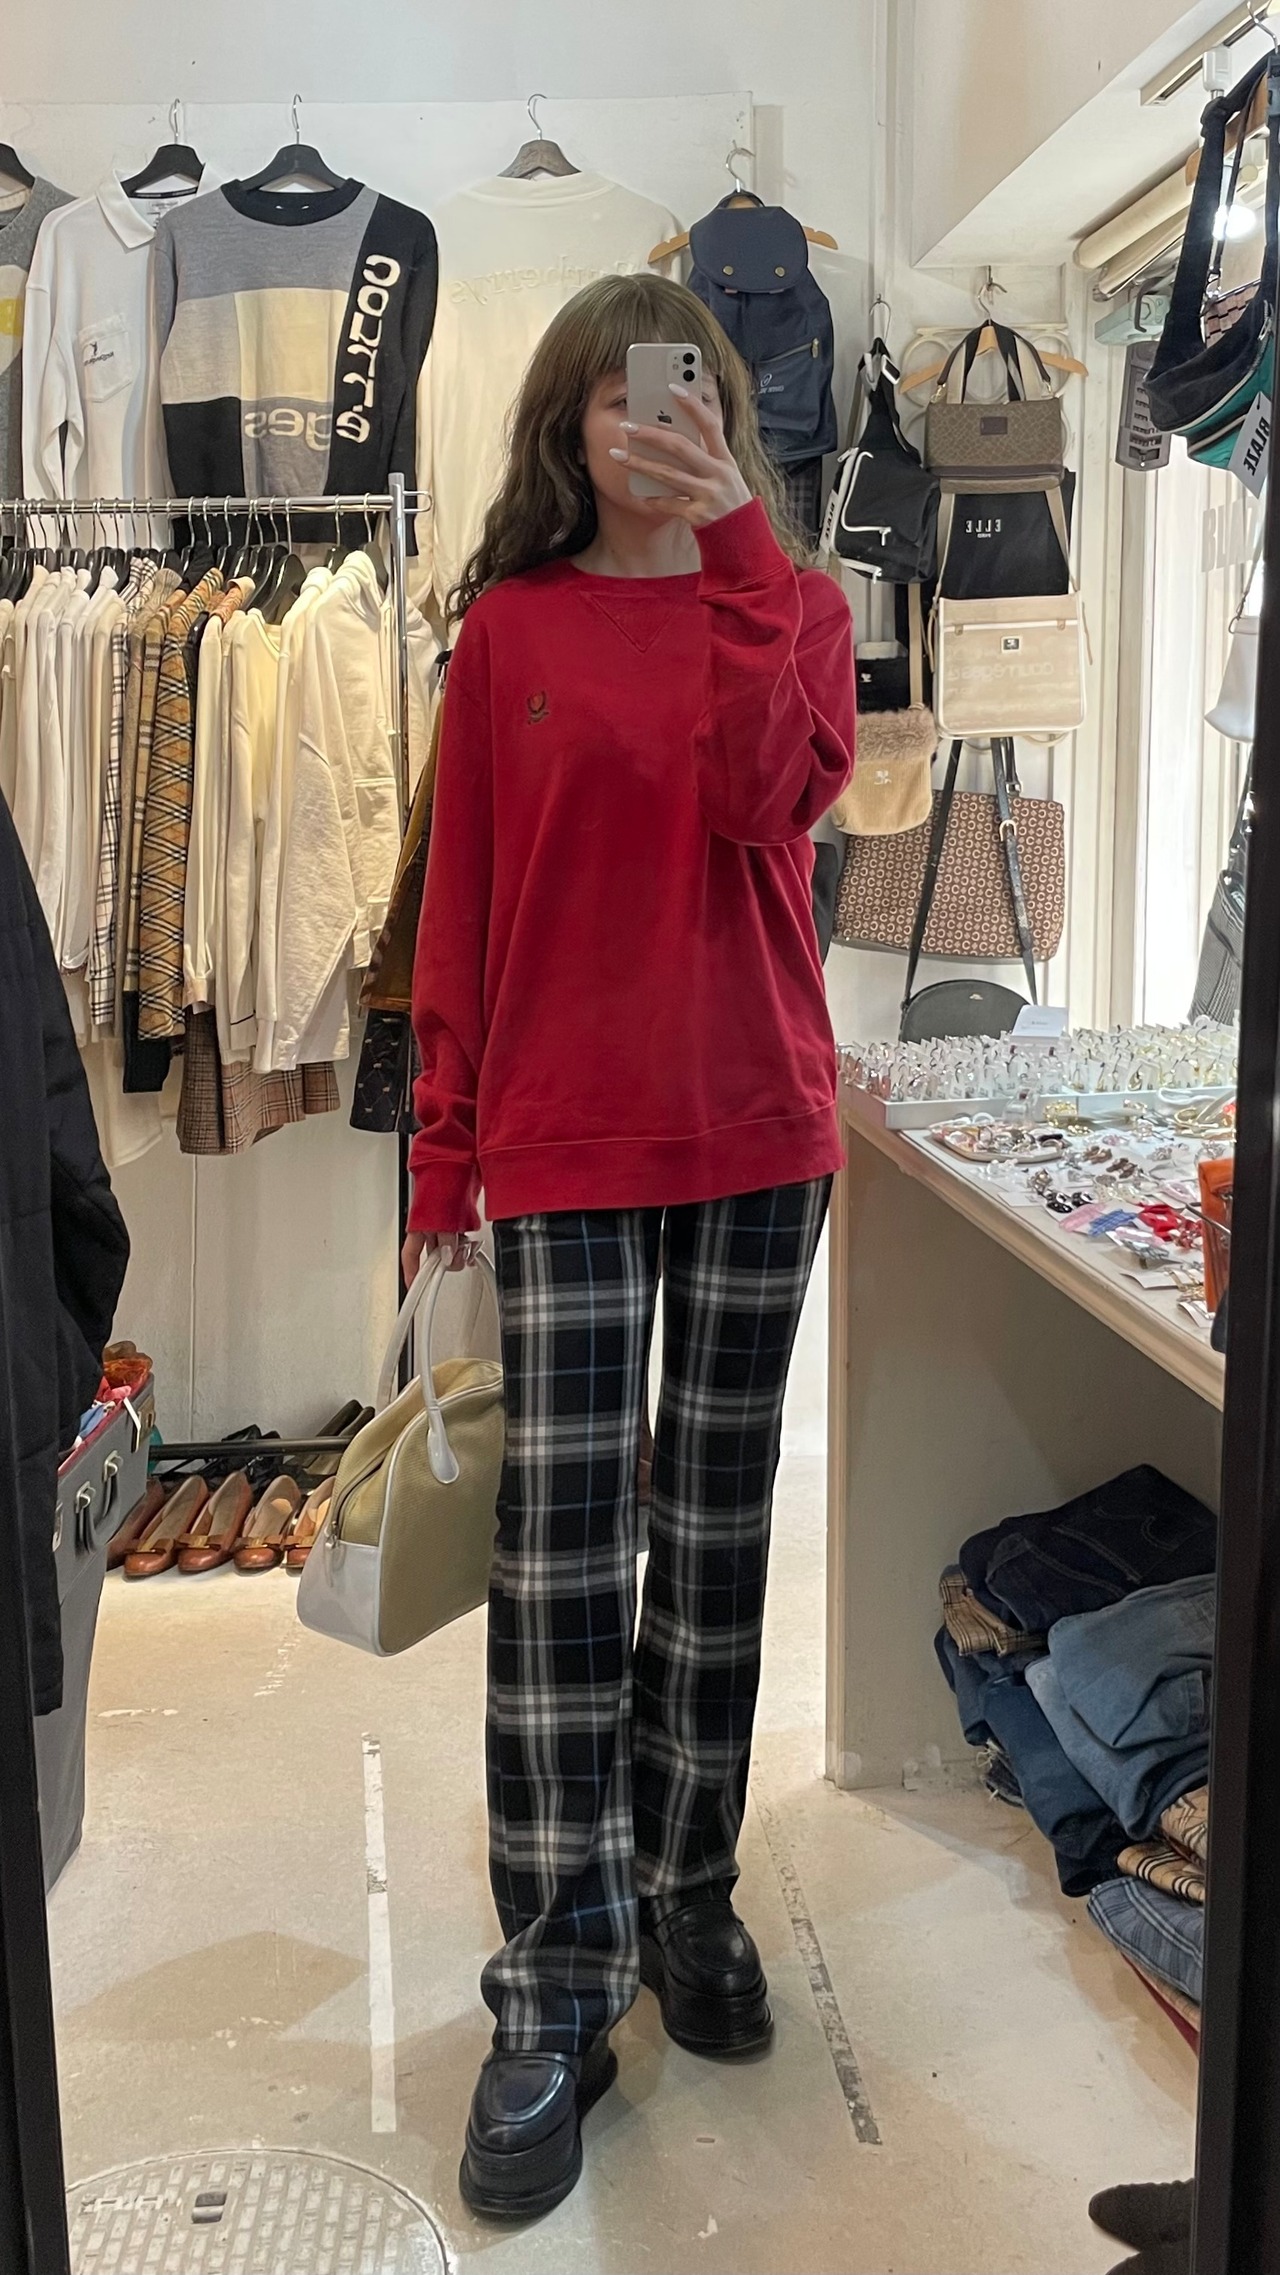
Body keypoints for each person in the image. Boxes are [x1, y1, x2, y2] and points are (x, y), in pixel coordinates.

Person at [404, 271, 854, 2220]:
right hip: (561, 1139)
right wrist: (439, 1165)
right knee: (561, 1566)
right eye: (618, 398)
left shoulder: (798, 608)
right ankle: (552, 1981)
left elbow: (771, 798)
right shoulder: (505, 629)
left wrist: (742, 549)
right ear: (567, 427)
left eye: (686, 397)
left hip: (758, 1130)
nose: (653, 426)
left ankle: (687, 1893)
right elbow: (460, 904)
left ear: (727, 416)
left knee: (718, 1545)